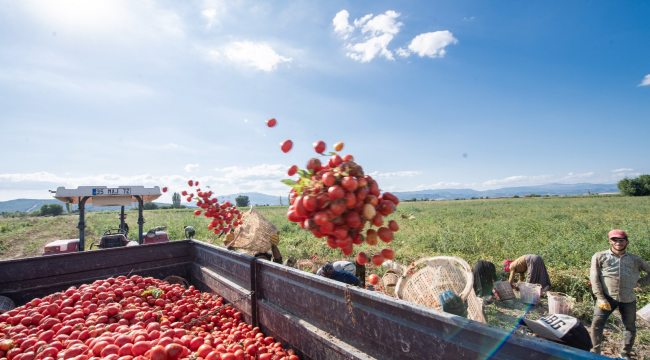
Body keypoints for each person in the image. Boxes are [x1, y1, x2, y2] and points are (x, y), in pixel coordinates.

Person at [590, 230, 650, 359]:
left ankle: (625, 353)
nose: (618, 243)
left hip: (628, 299)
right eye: (615, 240)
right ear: (610, 241)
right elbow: (594, 277)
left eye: (621, 240)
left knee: (630, 327)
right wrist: (600, 298)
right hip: (606, 298)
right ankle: (595, 351)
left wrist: (639, 283)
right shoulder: (600, 256)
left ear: (627, 242)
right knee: (597, 324)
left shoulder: (636, 260)